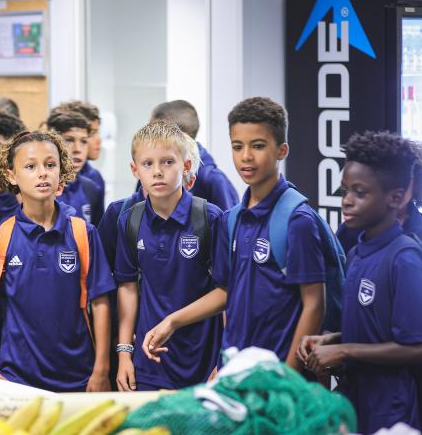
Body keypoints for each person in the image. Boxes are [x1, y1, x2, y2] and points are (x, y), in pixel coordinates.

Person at [143, 97, 326, 372]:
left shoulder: (297, 220)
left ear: (282, 150)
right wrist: (173, 322)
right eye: (237, 147)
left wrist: (288, 376)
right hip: (237, 370)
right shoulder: (232, 219)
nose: (246, 156)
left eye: (258, 146)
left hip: (279, 375)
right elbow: (228, 292)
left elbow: (314, 304)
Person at [298, 131, 422, 433]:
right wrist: (332, 340)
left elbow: (417, 346)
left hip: (390, 411)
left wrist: (344, 351)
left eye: (360, 193)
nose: (347, 201)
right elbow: (373, 328)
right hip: (353, 402)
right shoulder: (355, 252)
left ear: (396, 197)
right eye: (345, 191)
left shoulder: (405, 258)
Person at [0, 131, 115, 392]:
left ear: (61, 172)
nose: (42, 173)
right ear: (11, 175)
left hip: (78, 377)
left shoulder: (84, 233)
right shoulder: (0, 237)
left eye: (50, 165)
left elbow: (101, 303)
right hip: (14, 377)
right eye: (30, 166)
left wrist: (101, 369)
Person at [115, 121, 222, 391]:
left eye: (167, 162)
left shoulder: (210, 218)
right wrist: (124, 354)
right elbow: (127, 287)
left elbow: (226, 293)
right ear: (135, 170)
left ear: (185, 167)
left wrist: (223, 361)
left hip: (202, 362)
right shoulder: (130, 220)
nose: (157, 172)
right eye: (147, 164)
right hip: (148, 363)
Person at [151, 100, 239, 210]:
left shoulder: (213, 180)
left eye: (156, 134)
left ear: (182, 138)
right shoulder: (150, 170)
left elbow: (228, 225)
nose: (148, 139)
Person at [47, 110, 104, 226]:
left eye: (83, 141)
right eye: (69, 140)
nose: (77, 149)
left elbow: (97, 239)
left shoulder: (91, 189)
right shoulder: (40, 187)